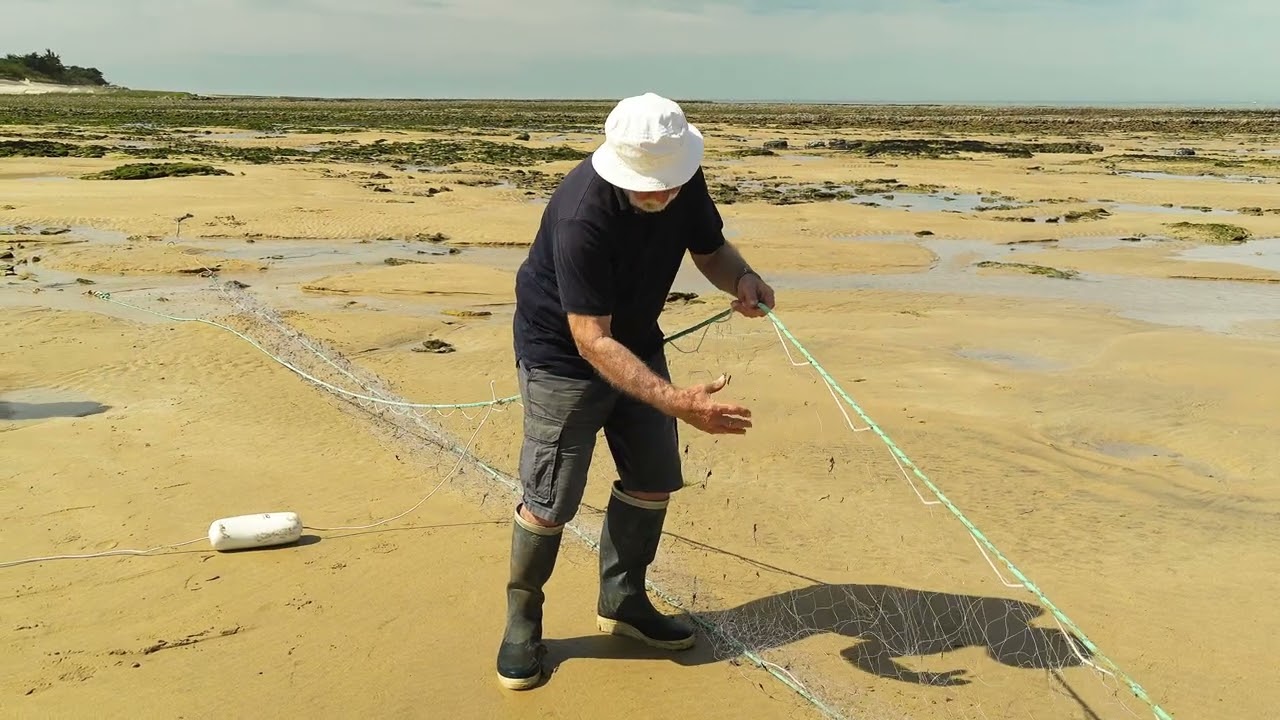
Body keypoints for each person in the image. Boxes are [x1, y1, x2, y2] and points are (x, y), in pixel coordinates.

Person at [496, 91, 777, 690]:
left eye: (668, 185)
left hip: (639, 342)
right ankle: (522, 623)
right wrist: (680, 402)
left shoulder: (684, 176)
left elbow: (711, 250)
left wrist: (744, 277)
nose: (660, 194)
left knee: (653, 478)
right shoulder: (581, 216)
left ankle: (624, 602)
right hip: (562, 358)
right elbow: (591, 341)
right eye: (647, 186)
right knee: (551, 500)